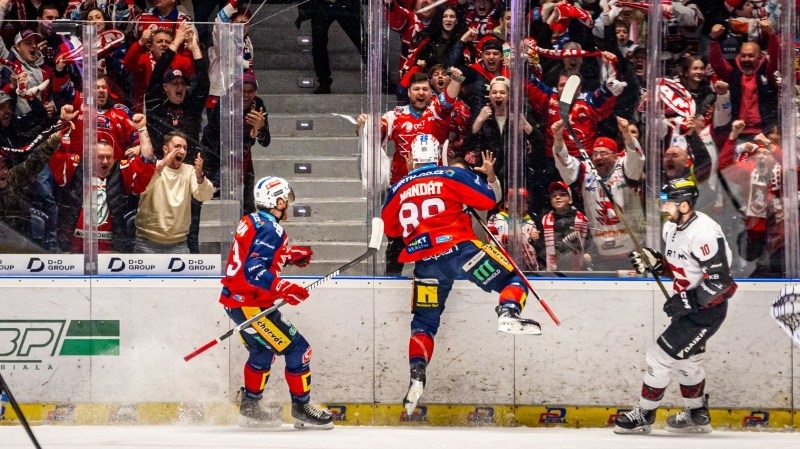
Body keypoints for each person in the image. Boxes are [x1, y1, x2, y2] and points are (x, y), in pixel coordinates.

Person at [381, 133, 542, 417]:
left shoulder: (397, 188)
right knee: (514, 279)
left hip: (426, 263)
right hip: (461, 253)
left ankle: (417, 372)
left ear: (410, 160)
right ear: (438, 156)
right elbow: (489, 199)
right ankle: (507, 311)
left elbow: (392, 229)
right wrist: (489, 178)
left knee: (424, 323)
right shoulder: (450, 174)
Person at [614, 178, 737, 435]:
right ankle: (697, 414)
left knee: (658, 357)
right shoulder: (671, 229)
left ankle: (644, 414)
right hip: (691, 309)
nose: (663, 207)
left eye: (668, 202)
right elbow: (681, 268)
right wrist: (656, 262)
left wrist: (687, 300)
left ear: (684, 205)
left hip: (706, 312)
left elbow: (720, 281)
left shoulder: (704, 232)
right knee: (688, 360)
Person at [219, 175, 333, 429]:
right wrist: (283, 287)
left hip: (235, 301)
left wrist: (288, 255)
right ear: (278, 201)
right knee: (298, 350)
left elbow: (253, 254)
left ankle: (250, 408)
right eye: (287, 199)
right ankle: (302, 408)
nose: (288, 204)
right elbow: (254, 269)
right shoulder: (272, 229)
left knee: (262, 351)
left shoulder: (251, 220)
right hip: (250, 304)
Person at [356, 67, 464, 276]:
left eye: (425, 88)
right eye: (416, 89)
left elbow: (449, 97)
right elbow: (375, 133)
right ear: (409, 92)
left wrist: (457, 79)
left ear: (431, 92)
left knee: (431, 236)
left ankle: (431, 277)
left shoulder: (437, 112)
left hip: (433, 186)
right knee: (396, 238)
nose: (421, 93)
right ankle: (391, 278)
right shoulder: (395, 115)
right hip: (401, 186)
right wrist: (365, 125)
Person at [552, 116, 645, 271]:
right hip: (602, 253)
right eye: (595, 153)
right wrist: (558, 138)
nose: (598, 157)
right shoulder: (586, 171)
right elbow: (565, 163)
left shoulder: (625, 167)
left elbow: (636, 158)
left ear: (615, 156)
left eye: (603, 153)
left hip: (633, 251)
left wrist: (627, 134)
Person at [133, 131, 214, 254]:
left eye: (185, 148)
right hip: (146, 242)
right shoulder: (153, 167)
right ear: (165, 149)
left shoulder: (190, 171)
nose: (182, 151)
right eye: (177, 147)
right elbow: (142, 188)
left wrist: (200, 177)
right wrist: (161, 166)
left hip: (178, 244)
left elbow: (204, 196)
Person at [540, 180, 590, 272]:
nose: (558, 198)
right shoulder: (544, 220)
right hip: (552, 271)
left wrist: (589, 254)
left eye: (562, 195)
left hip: (577, 271)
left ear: (570, 199)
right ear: (551, 201)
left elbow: (589, 242)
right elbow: (540, 246)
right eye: (554, 196)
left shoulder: (582, 220)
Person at [487, 187, 540, 272]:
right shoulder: (495, 218)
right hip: (501, 264)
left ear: (526, 206)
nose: (516, 204)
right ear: (507, 204)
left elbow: (533, 246)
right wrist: (505, 239)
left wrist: (535, 239)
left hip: (525, 268)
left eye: (520, 201)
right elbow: (490, 239)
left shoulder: (530, 223)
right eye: (513, 200)